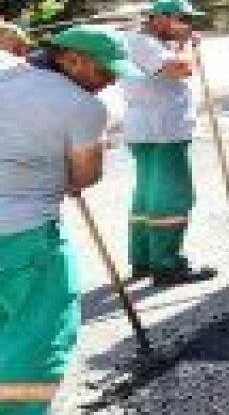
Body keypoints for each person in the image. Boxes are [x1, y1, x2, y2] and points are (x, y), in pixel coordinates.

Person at [0, 26, 139, 414]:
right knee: (40, 337)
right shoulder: (83, 107)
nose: (111, 81)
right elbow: (84, 176)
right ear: (71, 59)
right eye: (105, 70)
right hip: (22, 235)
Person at [121, 0, 216, 286]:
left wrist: (179, 42)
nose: (187, 26)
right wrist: (188, 45)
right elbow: (179, 69)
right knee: (171, 198)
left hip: (150, 129)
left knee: (148, 196)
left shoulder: (146, 41)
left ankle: (144, 260)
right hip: (161, 131)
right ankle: (167, 265)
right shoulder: (144, 42)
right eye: (183, 20)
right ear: (162, 18)